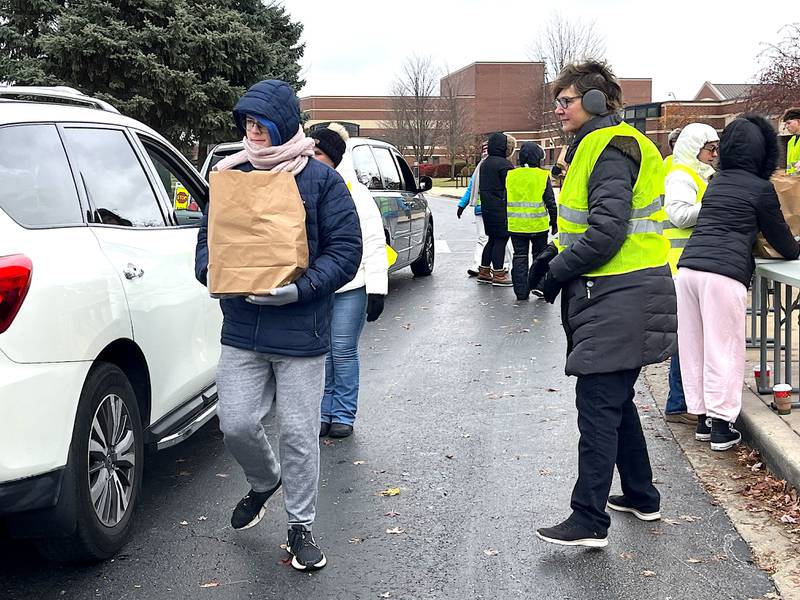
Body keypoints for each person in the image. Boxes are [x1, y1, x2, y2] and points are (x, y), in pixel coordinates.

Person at [194, 80, 362, 571]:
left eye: (261, 123)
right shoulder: (229, 178)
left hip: (300, 332)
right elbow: (208, 242)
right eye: (246, 123)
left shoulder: (321, 182)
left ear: (284, 124)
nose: (253, 131)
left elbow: (345, 250)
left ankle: (300, 526)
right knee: (237, 423)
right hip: (243, 327)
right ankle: (265, 481)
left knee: (298, 433)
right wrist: (213, 272)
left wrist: (301, 288)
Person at [529, 60, 676, 548]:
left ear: (593, 101)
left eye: (564, 100)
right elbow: (584, 226)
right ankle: (641, 495)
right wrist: (554, 254)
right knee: (615, 400)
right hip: (620, 293)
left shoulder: (610, 147)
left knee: (597, 402)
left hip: (619, 292)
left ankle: (589, 518)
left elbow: (608, 232)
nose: (558, 109)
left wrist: (557, 271)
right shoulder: (604, 144)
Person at [677, 114, 800, 451]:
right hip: (723, 275)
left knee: (695, 348)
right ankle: (721, 426)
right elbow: (784, 242)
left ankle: (702, 419)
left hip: (687, 271)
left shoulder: (716, 180)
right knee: (723, 348)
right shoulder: (762, 189)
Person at [310, 123, 388, 439]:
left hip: (351, 286)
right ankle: (323, 411)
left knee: (342, 348)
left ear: (333, 158)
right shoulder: (302, 186)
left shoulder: (357, 193)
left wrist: (377, 288)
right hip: (316, 285)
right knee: (322, 351)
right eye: (309, 152)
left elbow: (374, 240)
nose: (312, 158)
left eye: (318, 153)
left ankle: (342, 412)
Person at [662, 123, 719, 425]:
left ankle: (683, 401)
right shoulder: (682, 175)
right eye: (709, 149)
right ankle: (678, 404)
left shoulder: (695, 174)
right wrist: (714, 203)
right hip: (678, 266)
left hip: (687, 266)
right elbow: (680, 215)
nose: (713, 155)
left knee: (690, 337)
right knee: (687, 339)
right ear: (694, 148)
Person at [505, 142, 557, 300]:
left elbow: (504, 199)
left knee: (519, 256)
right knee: (540, 256)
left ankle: (521, 292)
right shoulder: (542, 176)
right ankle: (539, 287)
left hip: (516, 226)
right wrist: (554, 222)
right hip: (538, 225)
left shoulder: (511, 175)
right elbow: (550, 201)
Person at [457, 142, 512, 276]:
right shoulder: (481, 167)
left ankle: (503, 265)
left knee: (500, 240)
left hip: (493, 208)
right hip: (484, 208)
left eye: (488, 149)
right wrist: (462, 205)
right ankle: (479, 266)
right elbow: (471, 188)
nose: (485, 152)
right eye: (483, 150)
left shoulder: (498, 165)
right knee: (486, 238)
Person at [476, 132, 516, 286]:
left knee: (491, 239)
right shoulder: (504, 165)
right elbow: (510, 187)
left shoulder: (485, 163)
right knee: (501, 240)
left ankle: (484, 271)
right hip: (501, 207)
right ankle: (498, 273)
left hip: (487, 207)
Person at [783, 107, 800, 175]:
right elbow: (790, 166)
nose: (786, 127)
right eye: (785, 124)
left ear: (799, 122)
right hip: (793, 182)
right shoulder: (791, 141)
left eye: (789, 123)